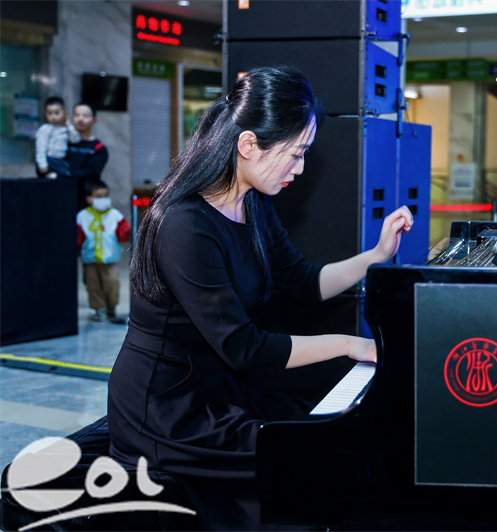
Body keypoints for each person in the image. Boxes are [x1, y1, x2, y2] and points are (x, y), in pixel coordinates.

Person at [106, 65, 413, 530]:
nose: (300, 168)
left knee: (330, 441)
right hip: (169, 409)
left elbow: (303, 281)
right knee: (308, 464)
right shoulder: (184, 225)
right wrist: (349, 344)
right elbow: (243, 346)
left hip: (221, 388)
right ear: (248, 145)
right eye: (295, 153)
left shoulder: (253, 202)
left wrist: (376, 255)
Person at [76, 180, 131, 323]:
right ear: (89, 199)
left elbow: (123, 233)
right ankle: (98, 308)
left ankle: (111, 306)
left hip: (110, 258)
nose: (103, 199)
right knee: (93, 285)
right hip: (90, 259)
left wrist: (128, 230)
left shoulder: (115, 215)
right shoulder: (82, 216)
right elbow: (78, 237)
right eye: (98, 196)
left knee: (112, 284)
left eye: (106, 196)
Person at [55, 102, 109, 211]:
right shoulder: (63, 142)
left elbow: (92, 172)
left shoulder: (99, 148)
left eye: (85, 116)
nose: (80, 119)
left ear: (94, 120)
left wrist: (67, 175)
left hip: (86, 201)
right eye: (77, 115)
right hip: (61, 196)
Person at [34, 96, 79, 178]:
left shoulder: (65, 129)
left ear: (64, 114)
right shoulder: (45, 129)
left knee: (69, 173)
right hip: (50, 160)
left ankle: (55, 175)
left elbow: (76, 140)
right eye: (49, 113)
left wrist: (69, 125)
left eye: (57, 113)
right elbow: (41, 147)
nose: (53, 117)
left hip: (61, 160)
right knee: (66, 175)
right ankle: (49, 174)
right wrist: (42, 165)